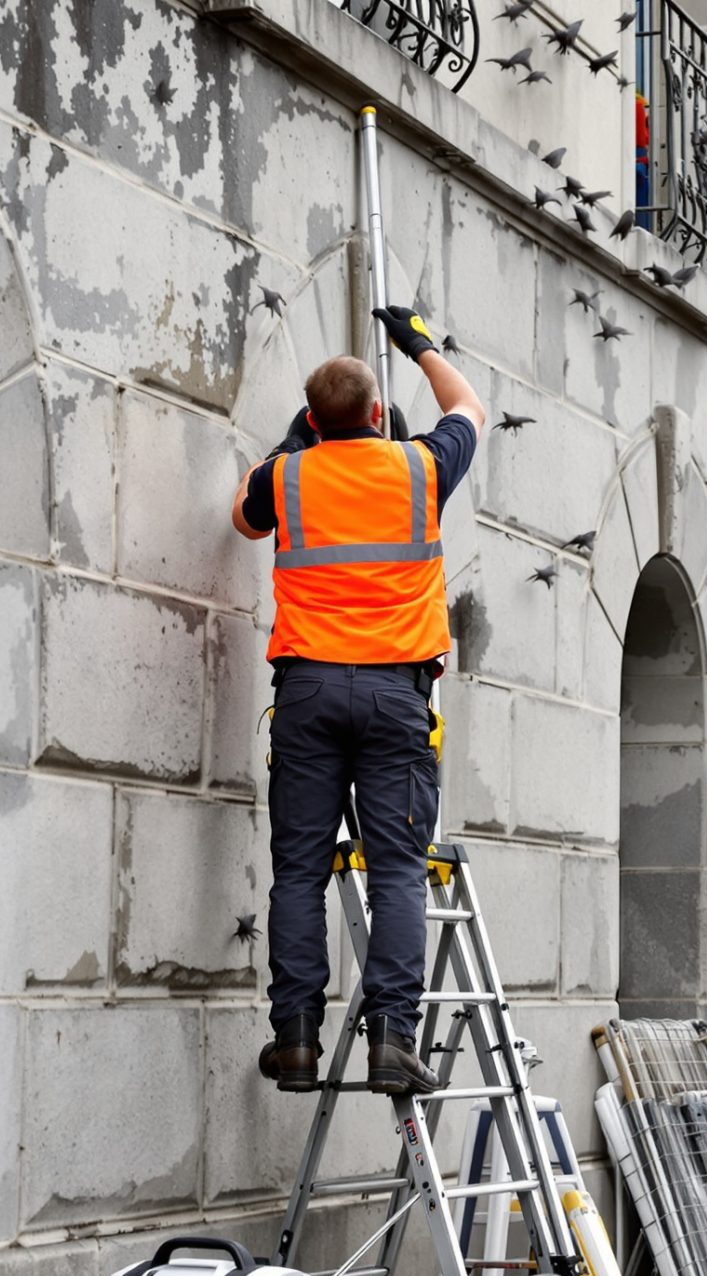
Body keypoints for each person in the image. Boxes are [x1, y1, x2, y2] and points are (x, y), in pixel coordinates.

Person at [235, 305, 488, 1095]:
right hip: (394, 694)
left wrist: (293, 444)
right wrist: (420, 345)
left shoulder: (287, 477)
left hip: (308, 691)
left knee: (298, 871)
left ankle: (296, 1041)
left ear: (314, 419)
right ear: (379, 414)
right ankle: (393, 1041)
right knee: (398, 872)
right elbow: (468, 407)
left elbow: (243, 518)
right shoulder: (421, 468)